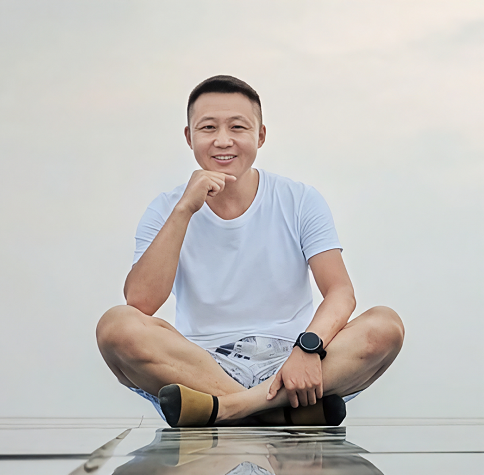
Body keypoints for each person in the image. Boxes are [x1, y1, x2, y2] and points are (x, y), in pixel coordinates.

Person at [96, 75, 404, 427]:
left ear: (260, 136)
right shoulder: (166, 208)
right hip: (201, 367)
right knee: (115, 327)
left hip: (294, 362)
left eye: (237, 127)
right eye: (208, 127)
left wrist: (308, 348)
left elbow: (340, 292)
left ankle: (229, 409)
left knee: (385, 325)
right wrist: (184, 210)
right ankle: (277, 412)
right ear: (189, 137)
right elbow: (141, 302)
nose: (222, 140)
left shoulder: (299, 199)